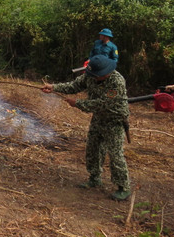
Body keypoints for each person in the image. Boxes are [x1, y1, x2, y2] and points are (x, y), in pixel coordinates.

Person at [42, 55, 131, 201]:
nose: (93, 78)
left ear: (105, 73)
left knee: (115, 154)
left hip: (114, 120)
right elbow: (73, 86)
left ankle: (123, 187)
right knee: (93, 148)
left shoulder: (117, 81)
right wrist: (53, 87)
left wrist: (78, 103)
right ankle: (95, 178)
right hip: (98, 118)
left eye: (96, 76)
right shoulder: (91, 75)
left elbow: (102, 103)